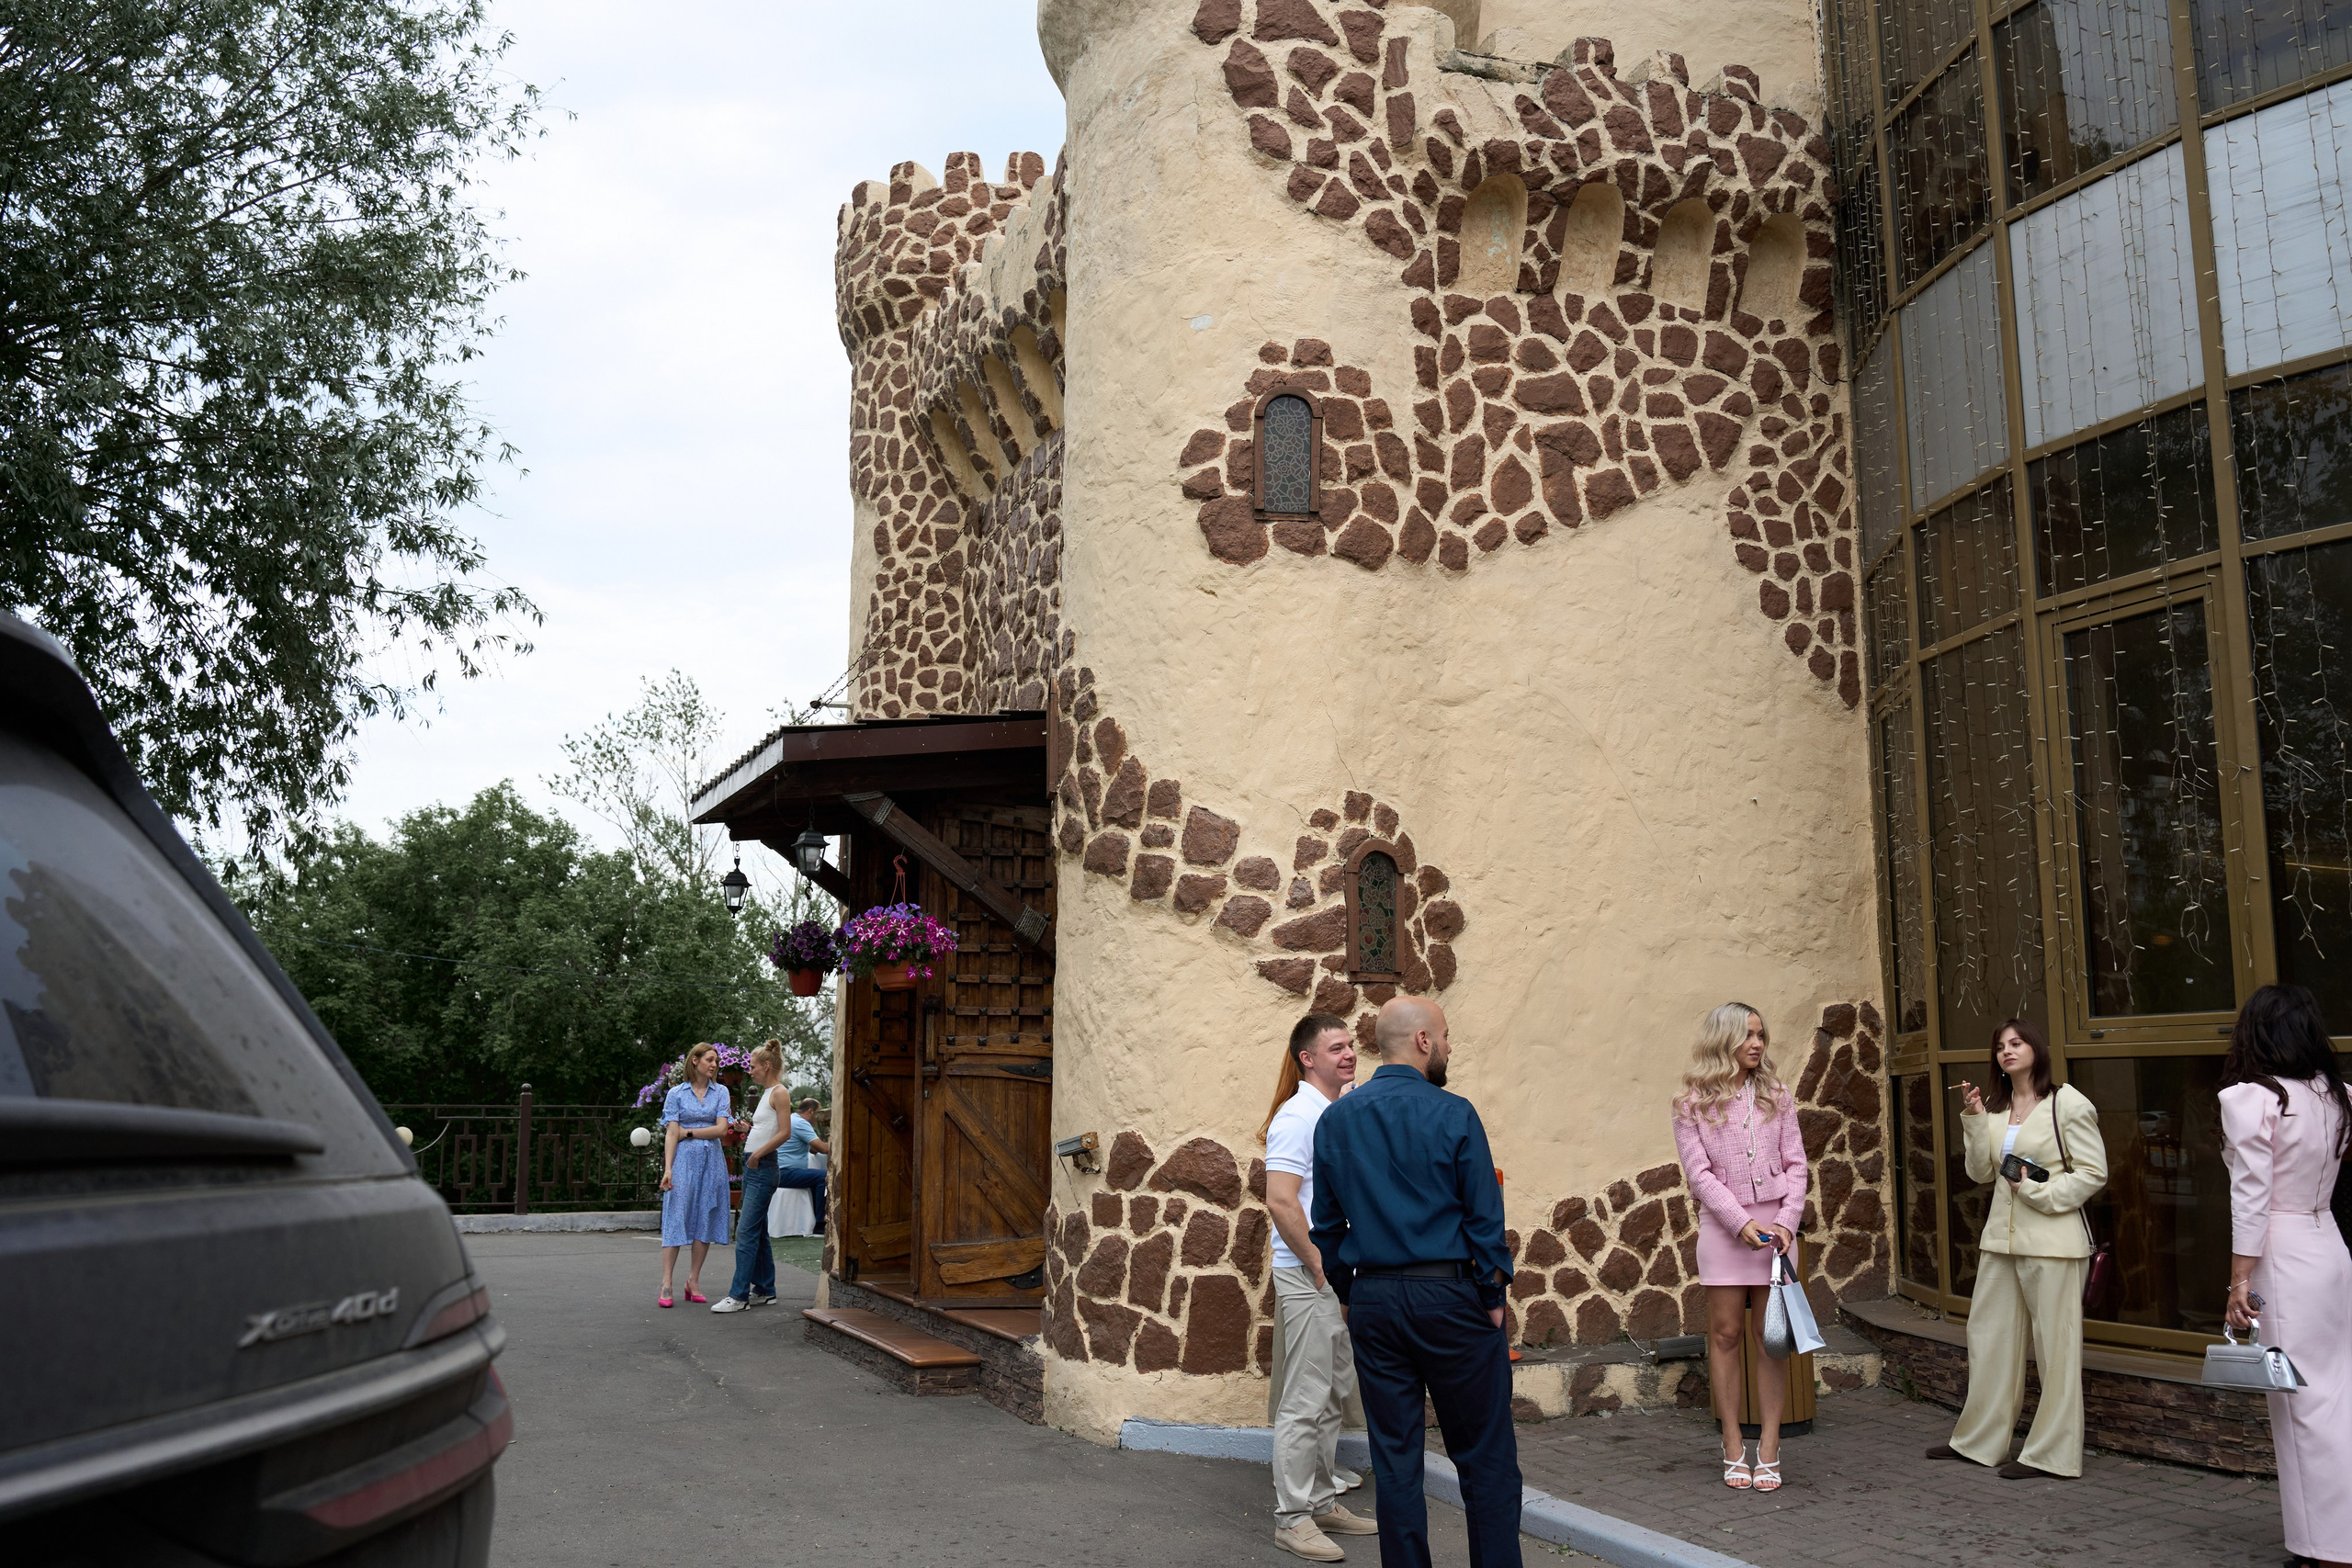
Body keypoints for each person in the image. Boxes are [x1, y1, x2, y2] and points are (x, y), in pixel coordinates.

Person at [1309, 996, 1519, 1568]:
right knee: (1485, 1456)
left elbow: (1325, 1226)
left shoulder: (1336, 1119)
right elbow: (1484, 1218)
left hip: (1375, 1298)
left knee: (1396, 1458)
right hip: (1451, 1297)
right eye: (1445, 1035)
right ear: (1424, 1041)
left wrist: (1351, 1293)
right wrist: (1492, 1296)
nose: (1449, 1045)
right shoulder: (1455, 1113)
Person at [1931, 1018, 2106, 1479]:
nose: (2007, 1051)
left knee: (2057, 1351)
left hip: (2053, 1243)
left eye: (2017, 1042)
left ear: (2037, 1048)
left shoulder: (2067, 1102)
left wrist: (2039, 1194)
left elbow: (2092, 1172)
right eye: (2000, 1046)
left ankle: (2052, 1456)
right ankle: (1979, 1443)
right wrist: (1972, 1119)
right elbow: (1980, 1173)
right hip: (2000, 1241)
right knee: (1988, 1341)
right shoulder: (1996, 1109)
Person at [2220, 984, 2352, 1568]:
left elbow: (2251, 1196)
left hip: (2283, 1250)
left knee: (2301, 1405)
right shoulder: (2339, 1095)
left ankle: (2328, 1547)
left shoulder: (2251, 1098)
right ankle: (2318, 1540)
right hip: (2329, 1245)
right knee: (2333, 1396)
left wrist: (2237, 1283)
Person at [1670, 1002, 1805, 1493]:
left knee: (1771, 1340)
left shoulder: (1777, 1095)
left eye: (1761, 1035)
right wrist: (1739, 1221)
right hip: (1725, 1229)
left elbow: (1797, 1165)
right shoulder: (1690, 1103)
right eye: (1747, 1035)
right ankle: (1732, 1442)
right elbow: (1698, 1175)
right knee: (1725, 1335)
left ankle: (1769, 1445)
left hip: (1775, 1231)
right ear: (1722, 1039)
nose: (1756, 1043)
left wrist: (1786, 1222)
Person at [1261, 1012, 1376, 1562]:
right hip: (1310, 1274)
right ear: (1307, 1058)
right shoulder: (1297, 1116)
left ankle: (1324, 1500)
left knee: (1330, 1394)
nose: (1349, 1054)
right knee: (1305, 1400)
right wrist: (1316, 1263)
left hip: (1332, 1274)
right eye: (1336, 1048)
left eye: (1351, 1045)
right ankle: (1292, 1517)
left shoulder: (1334, 1111)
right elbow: (1281, 1199)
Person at [712, 1042, 791, 1314]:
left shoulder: (780, 1092)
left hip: (762, 1167)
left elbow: (785, 1133)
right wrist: (748, 1128)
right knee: (756, 1232)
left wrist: (757, 1154)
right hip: (756, 1166)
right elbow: (768, 1128)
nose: (750, 1071)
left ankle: (739, 1296)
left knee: (745, 1232)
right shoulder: (770, 1093)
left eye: (753, 1066)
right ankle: (766, 1289)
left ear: (766, 1066)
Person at [658, 1042, 734, 1307]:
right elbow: (671, 1133)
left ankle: (693, 1280)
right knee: (676, 1215)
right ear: (695, 1061)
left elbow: (722, 1130)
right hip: (683, 1162)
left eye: (716, 1061)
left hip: (711, 1162)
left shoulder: (721, 1092)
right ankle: (667, 1283)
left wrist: (687, 1132)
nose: (714, 1065)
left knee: (706, 1214)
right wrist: (668, 1168)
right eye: (710, 1060)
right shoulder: (676, 1094)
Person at [775, 1095, 831, 1221]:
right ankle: (820, 1223)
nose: (818, 1119)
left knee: (816, 1177)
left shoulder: (791, 1120)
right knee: (824, 1176)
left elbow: (813, 1149)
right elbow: (824, 1149)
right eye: (818, 1114)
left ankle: (812, 1217)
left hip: (778, 1172)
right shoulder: (801, 1123)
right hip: (785, 1173)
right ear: (810, 1112)